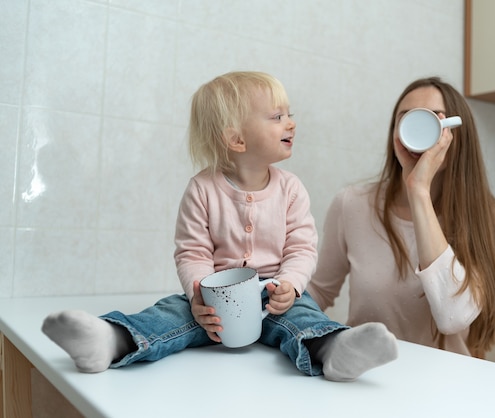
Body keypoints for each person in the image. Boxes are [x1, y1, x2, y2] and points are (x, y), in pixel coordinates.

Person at [42, 71, 397, 382]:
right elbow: (192, 251)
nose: (291, 123)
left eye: (290, 114)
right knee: (171, 312)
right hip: (216, 298)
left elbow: (302, 249)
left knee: (303, 314)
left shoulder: (291, 189)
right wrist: (198, 298)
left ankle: (334, 349)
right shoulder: (202, 188)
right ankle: (112, 339)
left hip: (274, 295)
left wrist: (290, 284)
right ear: (237, 140)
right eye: (277, 116)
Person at [307, 76, 495, 358]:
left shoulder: (488, 217)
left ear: (453, 132)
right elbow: (317, 292)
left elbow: (453, 318)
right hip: (366, 376)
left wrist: (419, 192)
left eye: (433, 120)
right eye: (406, 118)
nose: (418, 128)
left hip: (446, 384)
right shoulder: (352, 204)